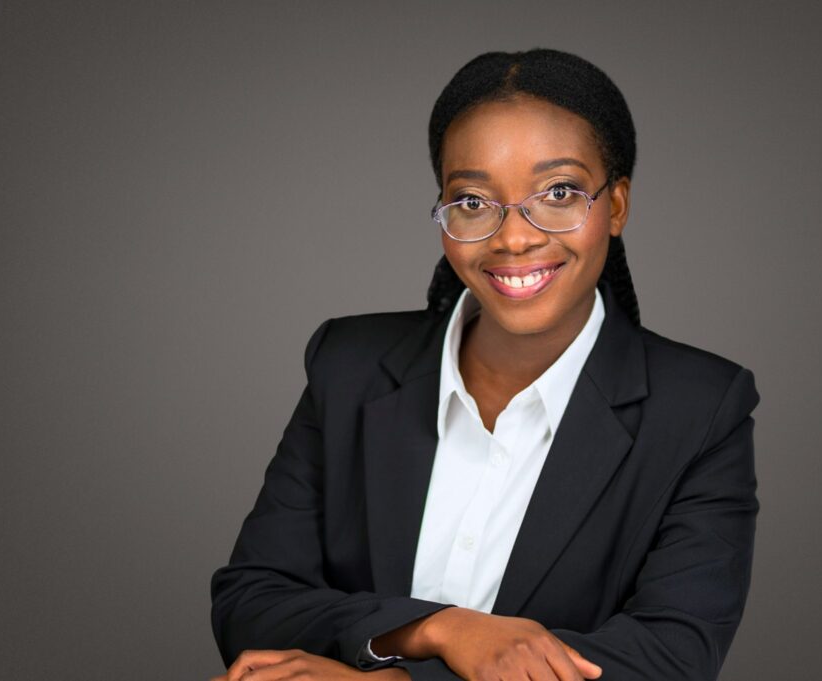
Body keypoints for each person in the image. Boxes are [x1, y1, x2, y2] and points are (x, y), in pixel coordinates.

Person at [210, 48, 760, 681]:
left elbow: (669, 659)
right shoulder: (349, 366)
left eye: (558, 192)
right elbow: (252, 601)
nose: (513, 237)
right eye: (473, 201)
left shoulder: (701, 408)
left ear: (615, 206)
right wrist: (439, 629)